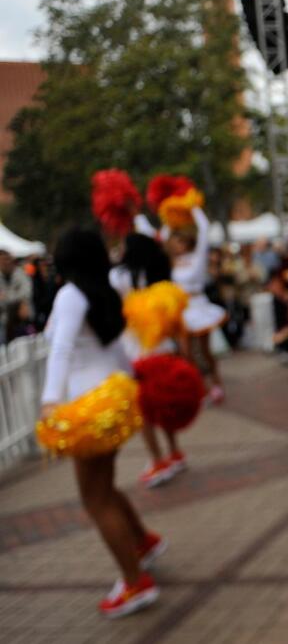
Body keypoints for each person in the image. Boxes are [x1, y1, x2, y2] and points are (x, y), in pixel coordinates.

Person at [41, 228, 165, 618]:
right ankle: (142, 542)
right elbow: (113, 347)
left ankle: (135, 583)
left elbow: (60, 348)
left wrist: (49, 401)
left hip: (88, 407)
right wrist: (134, 378)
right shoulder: (102, 290)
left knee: (94, 499)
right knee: (104, 489)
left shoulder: (70, 294)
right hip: (111, 399)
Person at [111, 233, 189, 487]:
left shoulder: (119, 277)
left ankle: (157, 460)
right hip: (164, 348)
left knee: (144, 411)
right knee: (164, 404)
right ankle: (174, 452)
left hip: (137, 352)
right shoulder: (161, 276)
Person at [165, 207, 227, 403]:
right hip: (181, 310)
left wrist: (192, 207)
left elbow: (204, 228)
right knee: (186, 353)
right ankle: (202, 389)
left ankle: (217, 384)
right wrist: (170, 213)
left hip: (198, 308)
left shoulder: (197, 257)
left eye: (179, 240)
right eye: (174, 241)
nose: (176, 244)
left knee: (206, 351)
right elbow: (161, 234)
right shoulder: (173, 261)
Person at [1, 248, 34, 343]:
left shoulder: (21, 274)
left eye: (7, 259)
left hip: (22, 320)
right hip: (5, 321)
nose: (5, 263)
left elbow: (26, 294)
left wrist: (6, 297)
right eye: (2, 260)